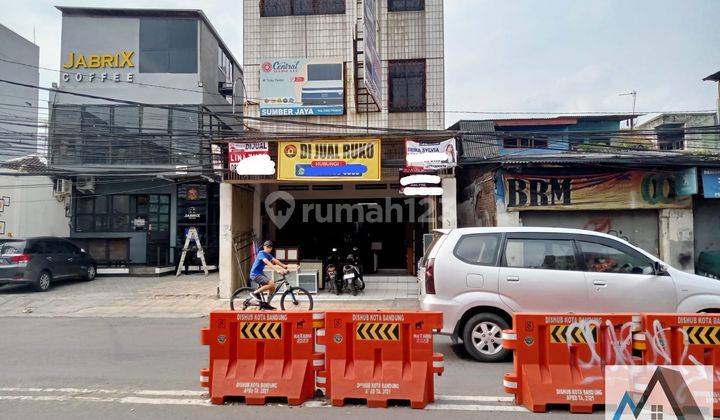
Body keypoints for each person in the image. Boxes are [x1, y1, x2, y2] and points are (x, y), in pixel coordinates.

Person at [249, 240, 288, 308]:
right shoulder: (261, 253)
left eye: (270, 247)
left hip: (260, 274)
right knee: (271, 283)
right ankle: (254, 293)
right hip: (255, 274)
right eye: (267, 247)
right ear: (264, 247)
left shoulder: (268, 255)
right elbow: (268, 263)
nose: (269, 249)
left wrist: (284, 266)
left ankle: (266, 304)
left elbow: (275, 261)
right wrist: (278, 271)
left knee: (272, 287)